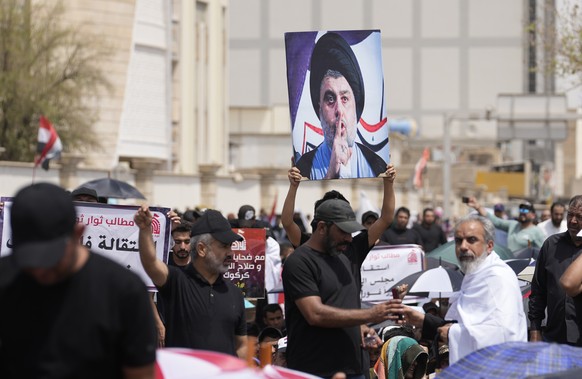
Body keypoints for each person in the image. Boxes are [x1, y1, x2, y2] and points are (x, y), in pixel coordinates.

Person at [0, 183, 156, 378]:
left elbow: (139, 373)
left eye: (50, 259)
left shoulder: (124, 291)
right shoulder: (5, 278)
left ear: (78, 234)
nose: (40, 271)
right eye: (29, 260)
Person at [282, 199, 404, 378]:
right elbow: (315, 314)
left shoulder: (344, 258)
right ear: (322, 227)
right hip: (315, 370)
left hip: (353, 367)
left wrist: (362, 327)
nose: (349, 238)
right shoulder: (299, 262)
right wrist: (371, 314)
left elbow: (342, 307)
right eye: (343, 232)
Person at [401, 214, 527, 364]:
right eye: (458, 241)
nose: (463, 246)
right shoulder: (475, 274)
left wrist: (452, 334)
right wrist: (423, 320)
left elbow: (503, 332)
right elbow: (466, 323)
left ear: (489, 245)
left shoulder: (497, 278)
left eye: (471, 240)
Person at [135, 206, 247, 357]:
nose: (230, 253)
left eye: (231, 246)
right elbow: (150, 263)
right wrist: (145, 230)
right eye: (224, 246)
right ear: (201, 249)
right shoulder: (177, 282)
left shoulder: (235, 294)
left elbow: (241, 345)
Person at [295, 32, 386, 179]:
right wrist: (331, 172)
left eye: (344, 99)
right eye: (330, 99)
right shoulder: (304, 169)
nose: (339, 111)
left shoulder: (377, 167)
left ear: (355, 107)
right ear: (319, 110)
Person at [530, 195, 582, 346]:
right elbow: (538, 290)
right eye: (570, 215)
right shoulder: (551, 245)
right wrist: (535, 330)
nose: (573, 221)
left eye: (579, 217)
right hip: (553, 337)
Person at [466, 197, 545, 251]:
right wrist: (478, 207)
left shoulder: (537, 232)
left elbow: (542, 251)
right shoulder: (513, 225)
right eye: (521, 210)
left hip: (526, 267)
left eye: (525, 211)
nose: (522, 212)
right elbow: (495, 221)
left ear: (533, 215)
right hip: (511, 262)